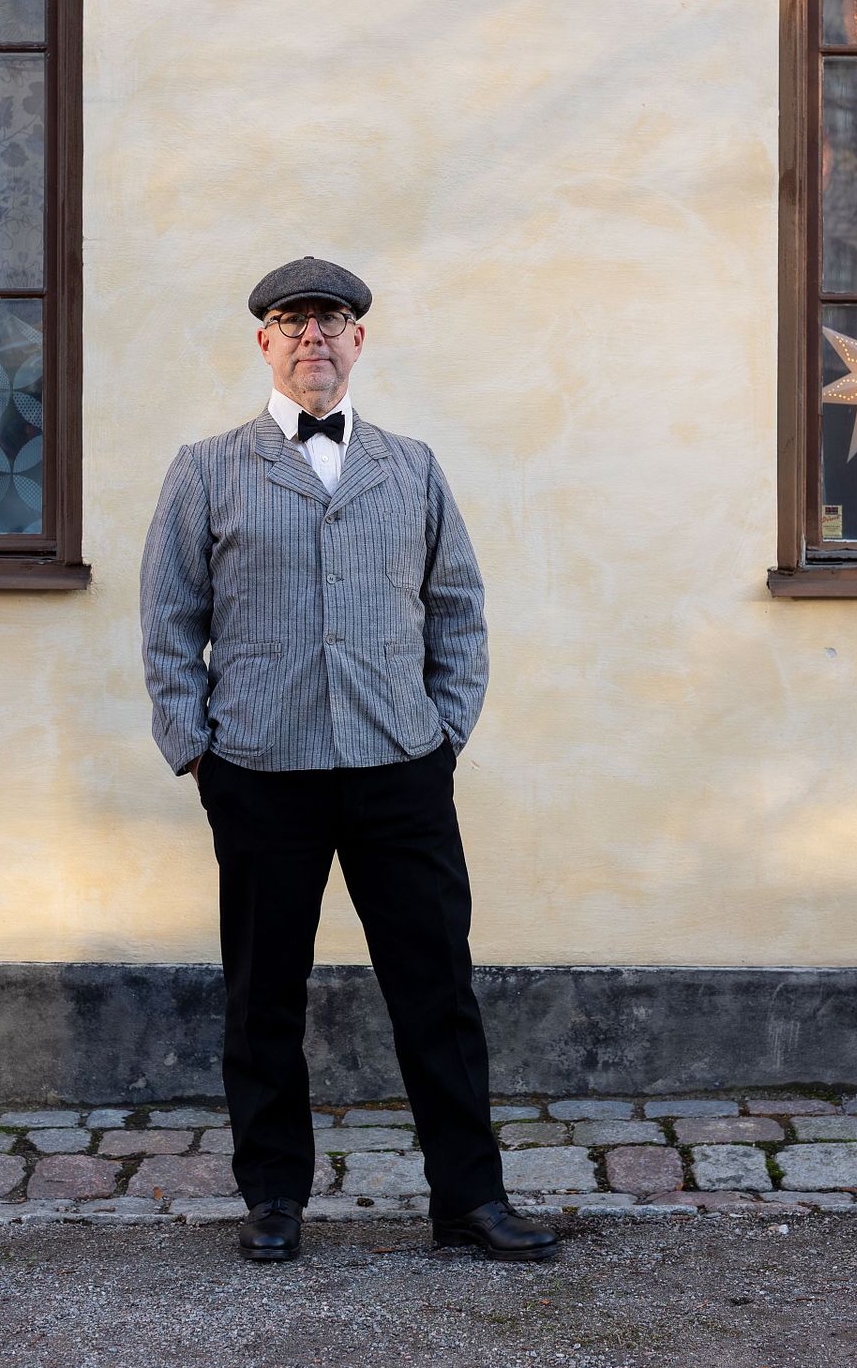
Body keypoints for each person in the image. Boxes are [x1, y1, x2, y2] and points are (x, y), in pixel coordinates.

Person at [139, 254, 558, 1264]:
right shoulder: (206, 468)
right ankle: (274, 1197)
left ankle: (469, 1199)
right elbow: (167, 622)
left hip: (397, 768)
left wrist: (443, 731)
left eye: (332, 323)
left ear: (359, 341)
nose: (314, 339)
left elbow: (458, 608)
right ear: (265, 343)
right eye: (293, 323)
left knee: (436, 992)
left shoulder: (410, 466)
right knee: (264, 995)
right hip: (260, 773)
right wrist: (196, 750)